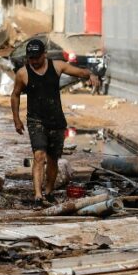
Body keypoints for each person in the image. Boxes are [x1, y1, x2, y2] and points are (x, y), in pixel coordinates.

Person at [10, 38, 100, 205]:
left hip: (57, 120)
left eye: (37, 57)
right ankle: (38, 195)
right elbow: (15, 95)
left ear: (44, 54)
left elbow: (79, 72)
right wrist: (16, 119)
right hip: (35, 120)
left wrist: (91, 74)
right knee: (39, 156)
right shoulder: (22, 73)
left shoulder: (57, 66)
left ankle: (49, 192)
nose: (34, 61)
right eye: (31, 58)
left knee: (53, 159)